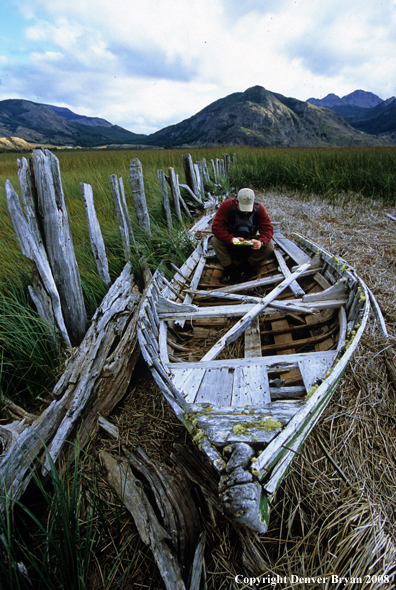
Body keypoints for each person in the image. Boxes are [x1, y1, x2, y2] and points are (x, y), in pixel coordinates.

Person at [211, 188, 274, 284]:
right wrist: (231, 239)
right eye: (243, 208)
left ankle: (246, 267)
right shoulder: (226, 206)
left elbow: (268, 229)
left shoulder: (259, 208)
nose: (246, 212)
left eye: (248, 209)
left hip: (249, 242)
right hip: (232, 241)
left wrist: (261, 242)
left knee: (269, 246)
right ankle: (229, 269)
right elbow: (216, 227)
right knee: (215, 241)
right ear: (236, 201)